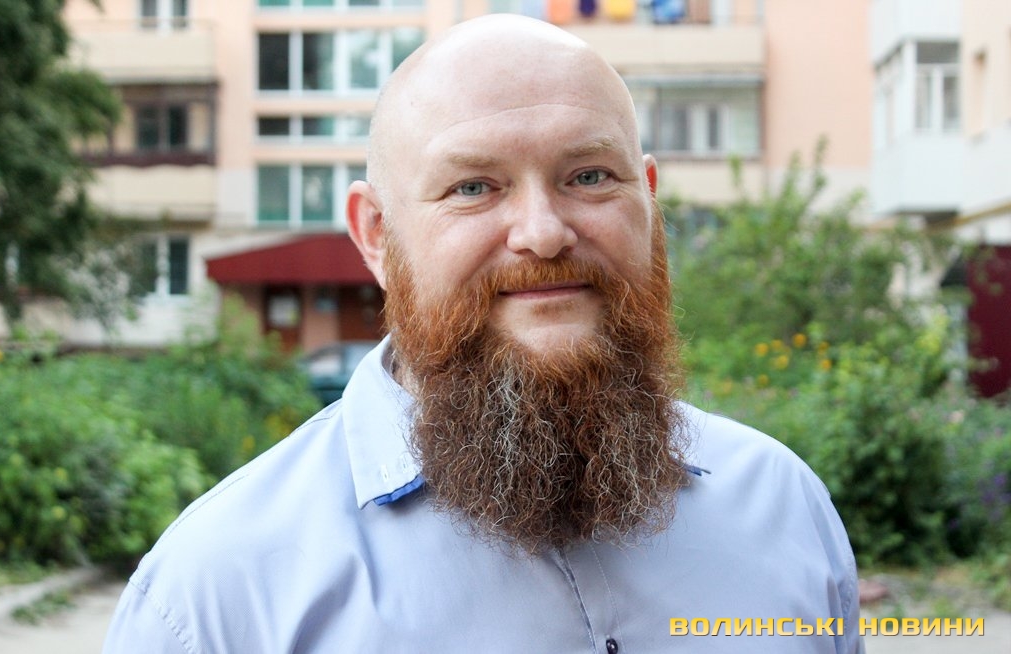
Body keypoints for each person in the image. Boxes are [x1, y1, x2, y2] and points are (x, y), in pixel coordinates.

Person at [104, 15, 863, 653]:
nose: (543, 232)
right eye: (473, 187)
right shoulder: (218, 594)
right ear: (376, 235)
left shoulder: (783, 505)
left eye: (589, 176)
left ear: (650, 201)